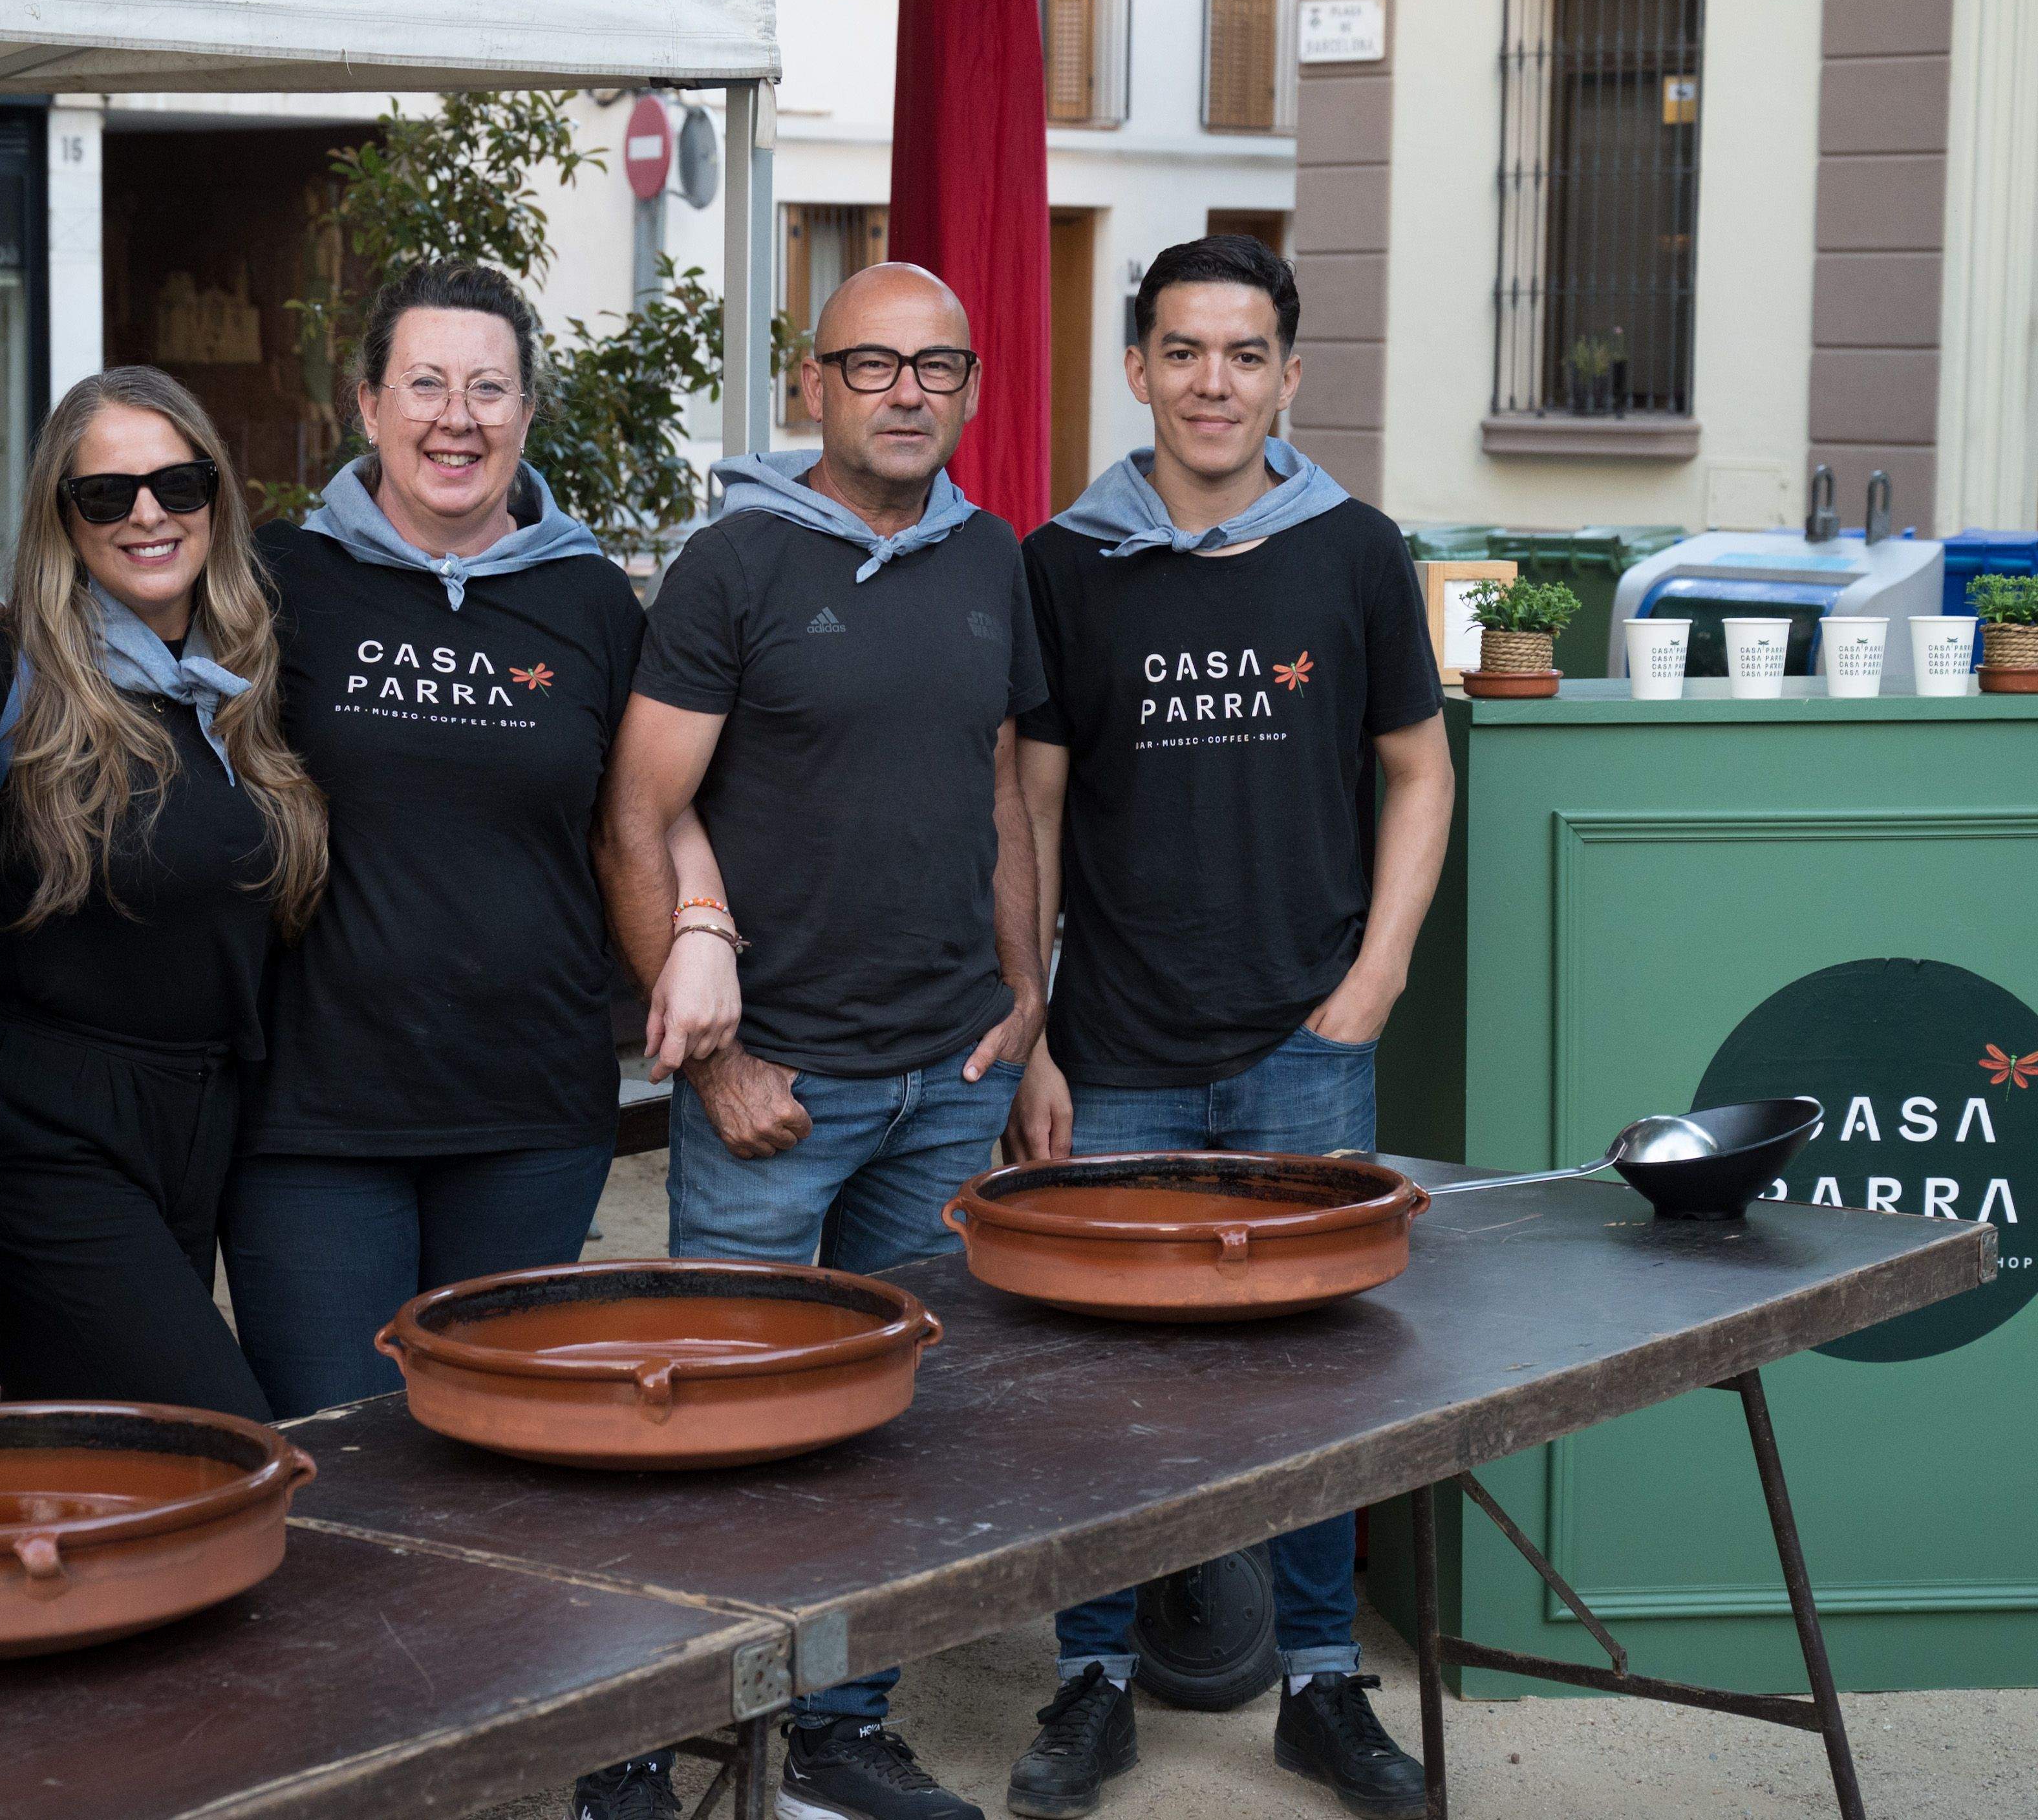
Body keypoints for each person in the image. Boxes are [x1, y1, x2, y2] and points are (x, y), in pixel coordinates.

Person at [1000, 235, 1450, 1820]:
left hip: (1300, 1040)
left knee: (1312, 1378)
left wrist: (1376, 971)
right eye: (1180, 351)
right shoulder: (1061, 562)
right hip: (1112, 1046)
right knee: (1101, 1381)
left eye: (1241, 353)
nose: (1210, 381)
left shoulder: (1349, 551)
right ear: (1134, 369)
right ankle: (1092, 1675)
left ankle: (1321, 1682)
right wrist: (1035, 1022)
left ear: (1285, 375)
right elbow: (1030, 807)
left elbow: (1416, 769)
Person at [588, 261, 1045, 1820]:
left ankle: (838, 1730)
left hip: (941, 1079)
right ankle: (660, 1730)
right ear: (812, 386)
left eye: (935, 364)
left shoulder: (992, 557)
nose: (905, 389)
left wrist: (1021, 992)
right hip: (775, 1085)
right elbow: (636, 818)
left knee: (884, 1433)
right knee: (719, 1430)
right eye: (870, 363)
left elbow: (993, 789)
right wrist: (709, 1063)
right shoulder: (731, 565)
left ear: (969, 388)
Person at [218, 259, 726, 1423]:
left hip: (529, 1115)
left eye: (489, 390)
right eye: (426, 385)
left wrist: (700, 926)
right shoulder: (276, 582)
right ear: (367, 406)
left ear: (526, 413)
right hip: (313, 1118)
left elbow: (647, 801)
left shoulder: (591, 601)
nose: (457, 418)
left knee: (497, 1450)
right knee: (339, 1450)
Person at [0, 365, 326, 1419]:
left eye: (177, 482)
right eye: (106, 494)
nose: (149, 514)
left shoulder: (241, 676)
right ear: (59, 520)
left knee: (126, 1475)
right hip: (43, 1130)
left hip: (204, 1119)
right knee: (219, 1442)